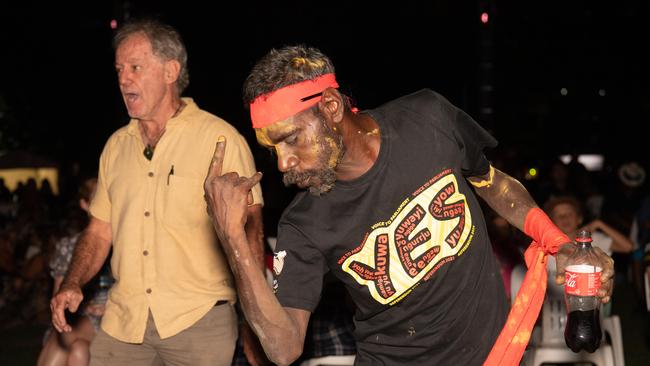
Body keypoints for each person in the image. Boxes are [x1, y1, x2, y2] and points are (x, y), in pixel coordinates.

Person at [203, 45, 614, 365]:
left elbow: (491, 183)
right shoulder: (305, 222)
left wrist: (561, 244)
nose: (283, 163)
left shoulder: (428, 119)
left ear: (330, 106)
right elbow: (284, 348)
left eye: (290, 138)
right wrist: (233, 238)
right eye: (271, 148)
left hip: (494, 352)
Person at [50, 19, 265, 366]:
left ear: (170, 71)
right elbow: (99, 230)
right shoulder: (115, 147)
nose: (123, 78)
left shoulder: (219, 140)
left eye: (135, 67)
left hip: (198, 320)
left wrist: (257, 324)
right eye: (119, 68)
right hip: (124, 323)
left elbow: (250, 228)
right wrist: (72, 281)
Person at [38, 177, 111, 366]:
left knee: (64, 340)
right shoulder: (68, 246)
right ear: (84, 204)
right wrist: (85, 308)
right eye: (97, 198)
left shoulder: (128, 245)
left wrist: (109, 308)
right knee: (78, 350)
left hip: (114, 318)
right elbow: (58, 298)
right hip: (79, 316)